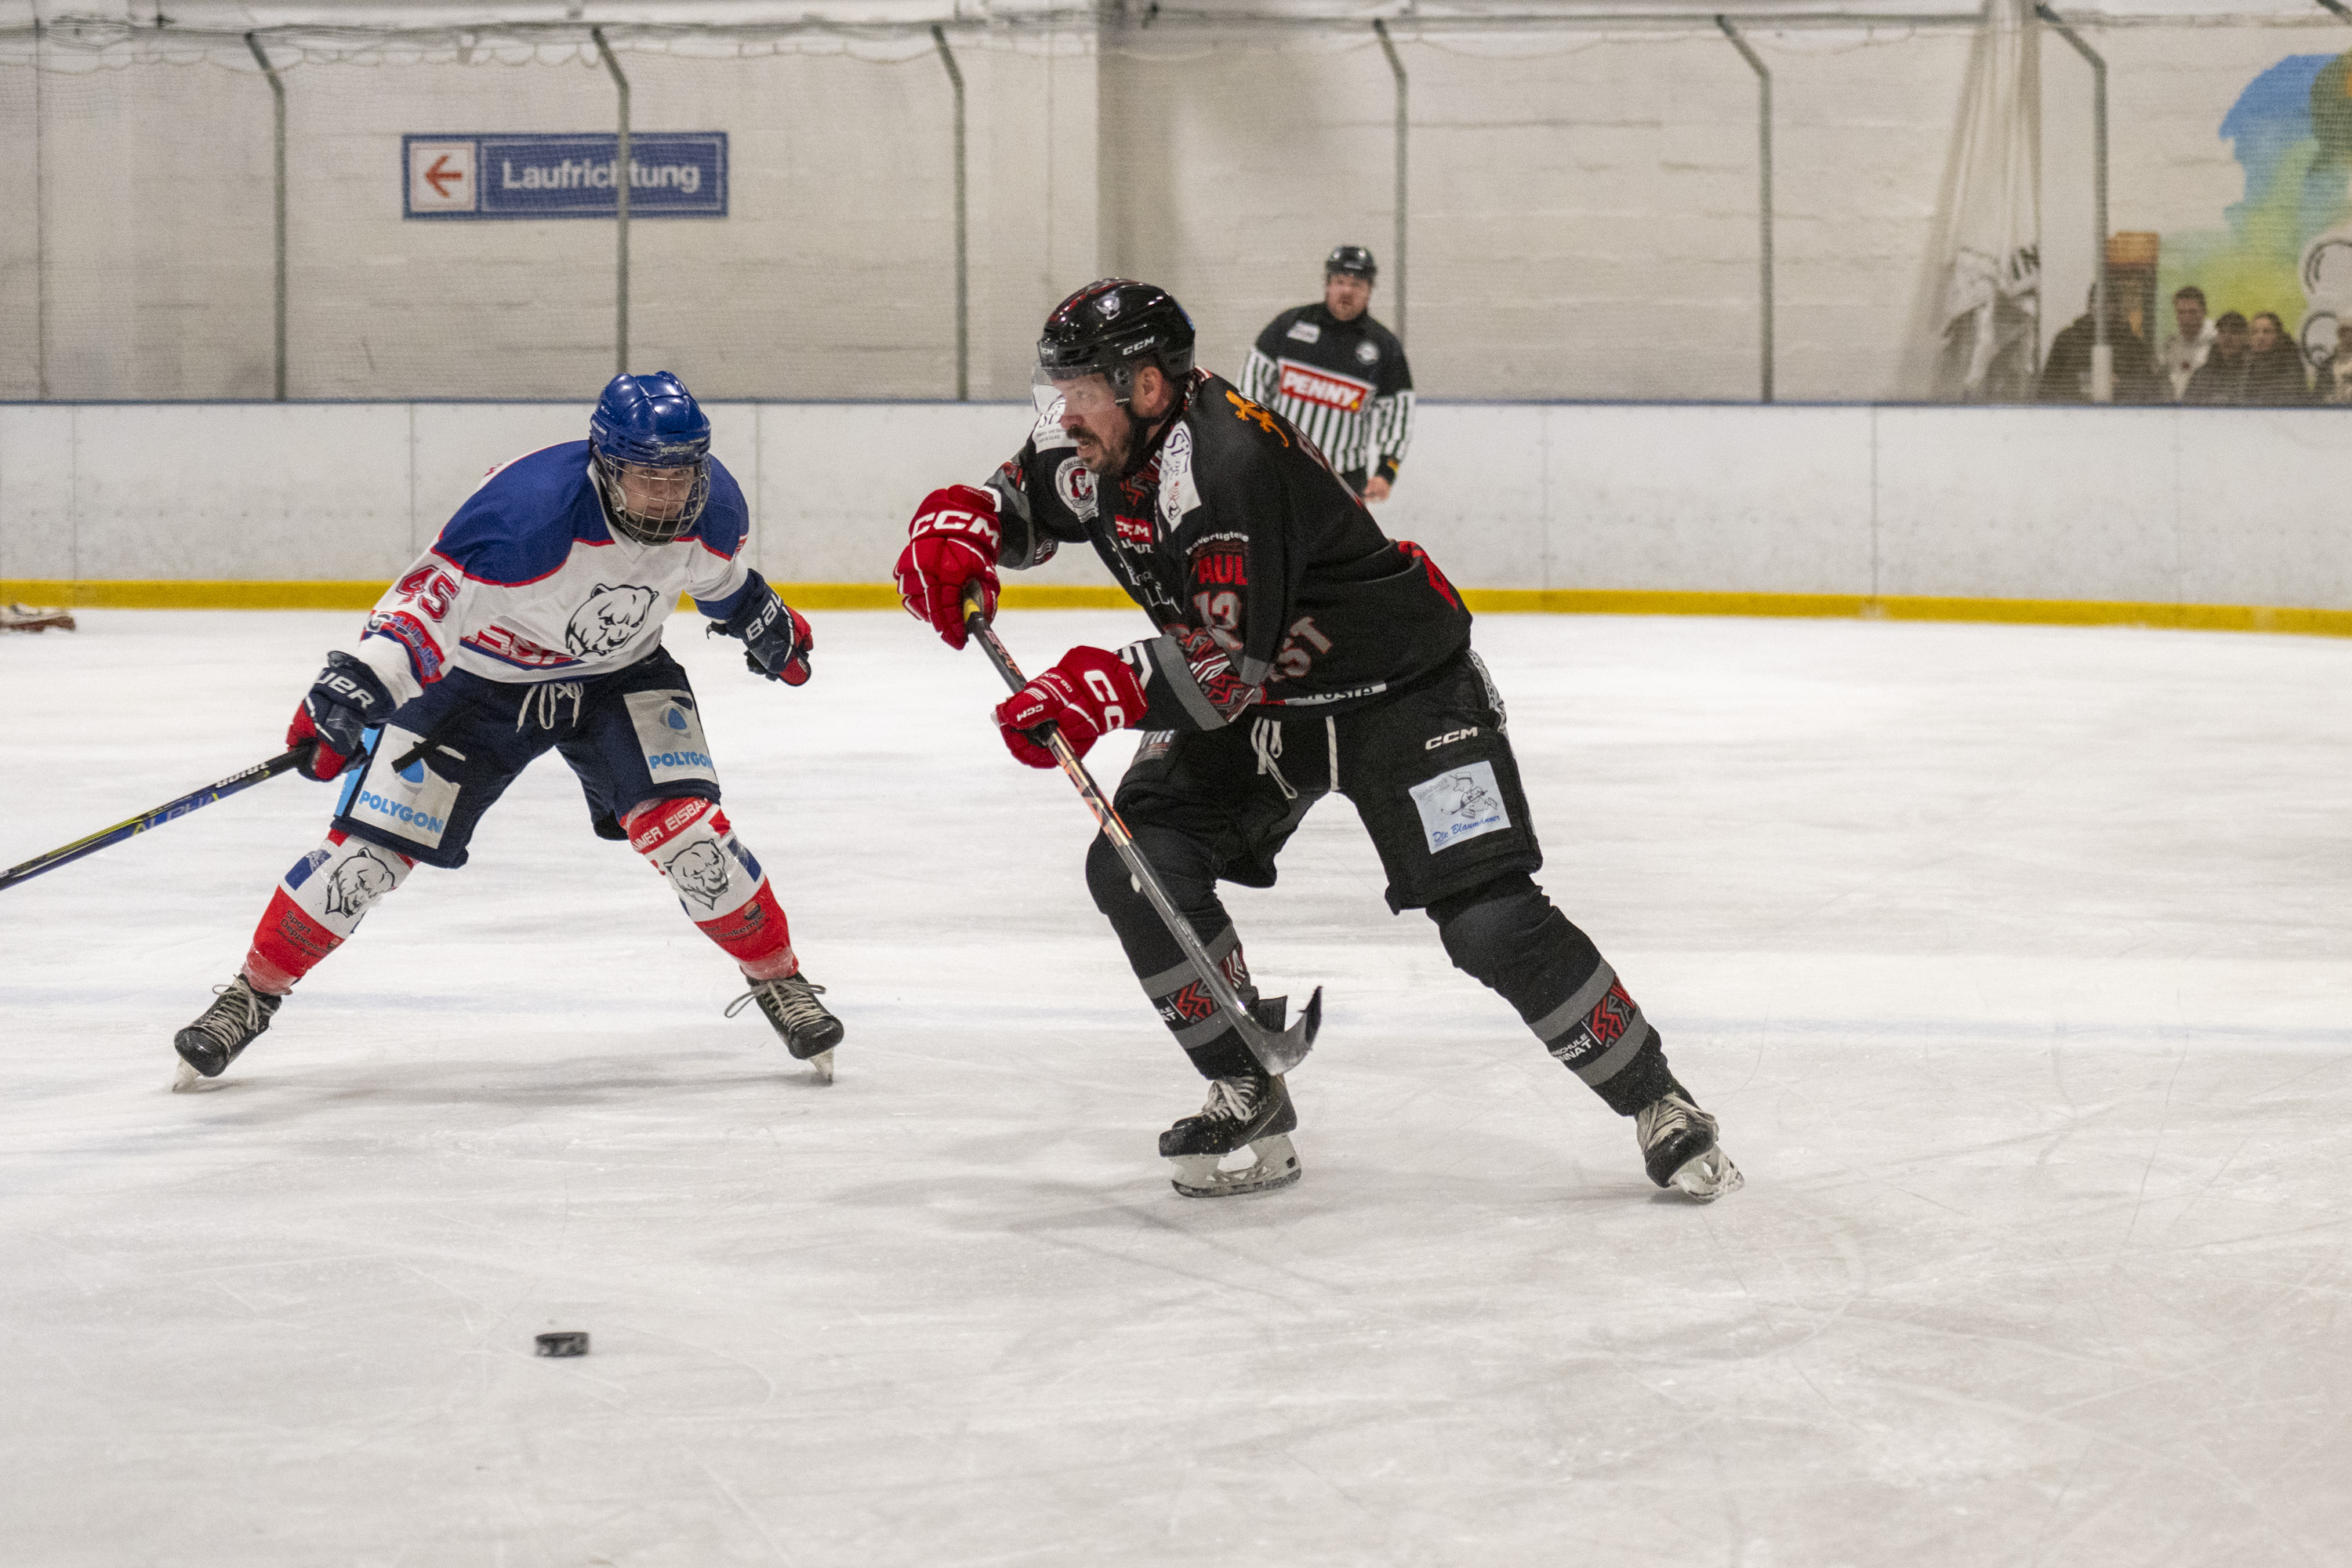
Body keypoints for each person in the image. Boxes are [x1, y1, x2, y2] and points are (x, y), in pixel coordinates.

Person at [894, 279, 1740, 1203]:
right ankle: (1247, 1082)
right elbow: (1028, 500)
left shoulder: (1224, 465)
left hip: (1400, 693)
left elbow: (1228, 665)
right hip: (1267, 704)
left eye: (1080, 389)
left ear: (1143, 386)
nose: (1062, 411)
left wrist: (1104, 685)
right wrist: (965, 525)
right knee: (1138, 863)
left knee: (1490, 918)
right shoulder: (1106, 439)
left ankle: (1659, 1100)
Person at [169, 372, 847, 1089]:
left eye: (682, 477)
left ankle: (778, 979)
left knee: (689, 833)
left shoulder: (713, 507)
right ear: (606, 467)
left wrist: (758, 615)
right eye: (649, 479)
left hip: (618, 674)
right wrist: (357, 686)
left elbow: (717, 576)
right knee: (364, 861)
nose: (669, 496)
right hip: (478, 685)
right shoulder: (524, 519)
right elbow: (419, 613)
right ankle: (252, 992)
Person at [1239, 245, 1414, 500]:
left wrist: (1386, 471)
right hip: (1280, 467)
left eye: (1356, 284)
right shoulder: (1290, 325)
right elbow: (1250, 384)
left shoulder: (1384, 346)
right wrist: (1250, 443)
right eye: (1340, 281)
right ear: (1328, 284)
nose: (1346, 290)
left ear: (1369, 289)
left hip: (1344, 479)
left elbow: (1399, 411)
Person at [2036, 285, 2161, 404]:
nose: (2101, 307)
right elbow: (2046, 389)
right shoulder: (2067, 340)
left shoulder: (2133, 346)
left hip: (2119, 417)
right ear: (2089, 305)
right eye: (2096, 301)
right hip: (2073, 416)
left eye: (2108, 302)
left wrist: (2121, 385)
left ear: (2117, 307)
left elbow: (2148, 390)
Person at [2158, 285, 2216, 402]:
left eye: (2192, 312)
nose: (2186, 318)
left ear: (2204, 312)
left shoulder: (2217, 343)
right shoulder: (2170, 344)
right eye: (2181, 312)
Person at [2244, 312, 2313, 405]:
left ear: (2278, 335)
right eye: (2254, 332)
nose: (2260, 337)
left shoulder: (2291, 362)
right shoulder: (2247, 363)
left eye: (2267, 332)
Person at [2184, 312, 2252, 405]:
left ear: (2246, 338)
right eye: (2222, 332)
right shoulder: (2203, 375)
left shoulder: (2254, 373)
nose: (2227, 338)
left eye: (2234, 332)